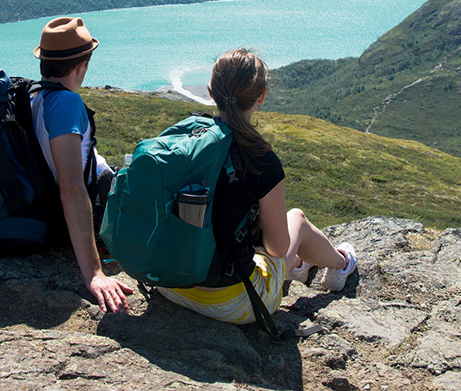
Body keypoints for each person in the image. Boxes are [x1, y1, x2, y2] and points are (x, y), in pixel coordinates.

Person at [157, 48, 356, 324]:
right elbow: (276, 247)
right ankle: (341, 265)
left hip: (168, 284)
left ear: (210, 92)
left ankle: (300, 267)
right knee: (295, 219)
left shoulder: (186, 142)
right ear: (261, 95)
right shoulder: (262, 161)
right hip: (231, 304)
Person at [31, 16, 133, 314]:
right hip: (97, 209)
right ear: (81, 66)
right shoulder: (67, 104)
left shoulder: (33, 95)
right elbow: (72, 188)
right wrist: (94, 274)